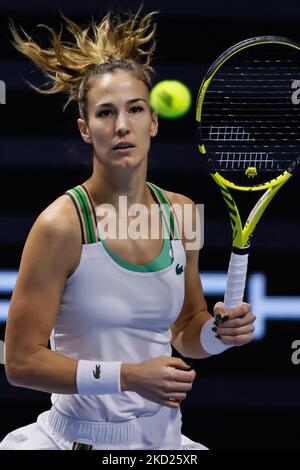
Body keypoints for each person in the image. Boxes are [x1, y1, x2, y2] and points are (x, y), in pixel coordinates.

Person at [0, 10, 255, 450]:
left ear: (153, 122)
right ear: (85, 129)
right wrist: (128, 377)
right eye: (105, 113)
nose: (121, 125)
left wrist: (216, 334)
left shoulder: (181, 213)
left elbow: (185, 329)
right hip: (77, 441)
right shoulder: (60, 225)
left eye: (135, 109)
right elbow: (20, 362)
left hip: (165, 440)